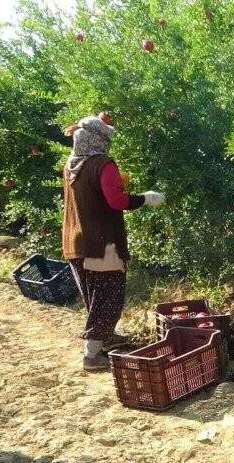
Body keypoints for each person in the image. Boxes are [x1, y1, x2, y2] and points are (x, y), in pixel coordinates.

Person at [61, 115, 165, 372]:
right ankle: (92, 356)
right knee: (108, 296)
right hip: (101, 243)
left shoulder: (72, 163)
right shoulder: (102, 164)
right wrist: (145, 198)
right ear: (98, 139)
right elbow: (116, 201)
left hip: (76, 242)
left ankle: (104, 338)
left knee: (94, 297)